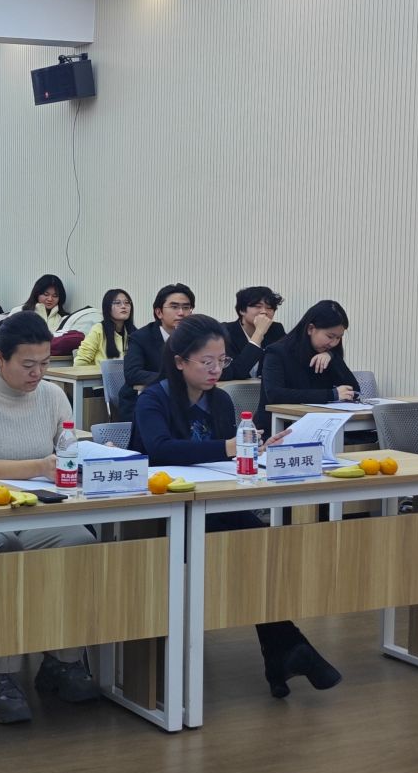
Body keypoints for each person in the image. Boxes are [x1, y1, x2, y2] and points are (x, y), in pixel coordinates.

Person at [131, 314, 342, 698]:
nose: (216, 370)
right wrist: (228, 447)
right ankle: (287, 650)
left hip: (210, 503)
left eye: (222, 361)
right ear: (180, 361)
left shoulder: (221, 400)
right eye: (206, 362)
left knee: (259, 543)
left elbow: (226, 457)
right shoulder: (153, 398)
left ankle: (285, 650)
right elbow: (160, 450)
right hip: (161, 512)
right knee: (244, 547)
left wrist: (256, 451)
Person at [0, 312, 103, 723]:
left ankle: (63, 660)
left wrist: (78, 457)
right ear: (0, 357)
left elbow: (68, 445)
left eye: (45, 363)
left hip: (37, 511)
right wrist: (41, 466)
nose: (38, 373)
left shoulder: (51, 395)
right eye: (28, 364)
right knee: (2, 549)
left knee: (79, 543)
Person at [258, 300, 360, 434]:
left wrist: (333, 357)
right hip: (278, 428)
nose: (334, 343)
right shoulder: (277, 352)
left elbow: (354, 390)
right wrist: (331, 394)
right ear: (310, 329)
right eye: (330, 336)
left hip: (319, 426)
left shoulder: (328, 355)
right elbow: (275, 394)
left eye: (339, 338)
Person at [117, 283, 196, 418]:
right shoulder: (140, 338)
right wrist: (176, 378)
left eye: (186, 307)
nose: (181, 313)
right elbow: (133, 373)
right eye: (174, 307)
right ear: (159, 312)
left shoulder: (196, 338)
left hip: (182, 402)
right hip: (143, 402)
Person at [223, 286, 286, 380]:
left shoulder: (276, 330)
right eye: (258, 306)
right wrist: (259, 333)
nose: (264, 312)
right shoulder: (225, 332)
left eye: (269, 307)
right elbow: (236, 371)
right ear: (242, 310)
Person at [73, 287, 136, 365]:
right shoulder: (98, 330)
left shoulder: (134, 333)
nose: (123, 306)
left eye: (127, 302)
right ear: (107, 308)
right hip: (99, 373)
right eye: (117, 303)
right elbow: (80, 363)